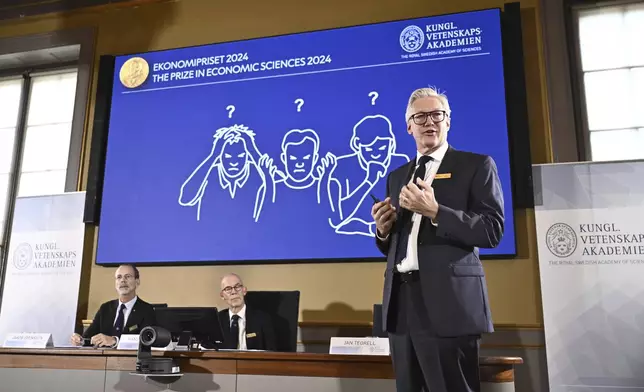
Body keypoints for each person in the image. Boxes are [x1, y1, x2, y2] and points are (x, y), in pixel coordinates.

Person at [371, 87, 504, 392]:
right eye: (420, 117)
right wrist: (383, 230)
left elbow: (492, 230)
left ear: (448, 121)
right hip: (401, 304)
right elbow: (397, 246)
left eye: (436, 115)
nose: (429, 122)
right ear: (409, 126)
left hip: (449, 306)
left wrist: (436, 211)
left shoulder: (476, 165)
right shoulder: (397, 175)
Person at [70, 264, 157, 347]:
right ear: (115, 283)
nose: (123, 280)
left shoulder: (147, 310)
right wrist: (80, 340)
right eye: (119, 277)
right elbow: (89, 337)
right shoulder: (105, 308)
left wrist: (115, 341)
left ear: (137, 282)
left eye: (128, 276)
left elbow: (147, 340)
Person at [217, 273, 276, 351]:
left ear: (244, 291)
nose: (234, 292)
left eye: (237, 287)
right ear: (222, 296)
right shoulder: (217, 320)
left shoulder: (262, 319)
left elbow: (271, 352)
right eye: (228, 289)